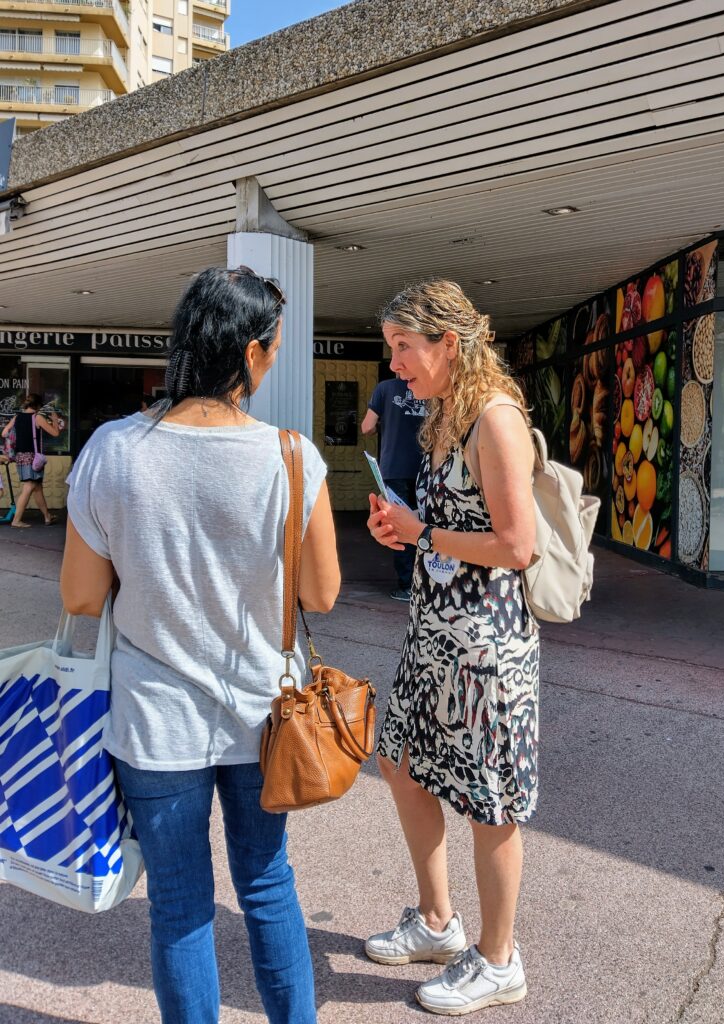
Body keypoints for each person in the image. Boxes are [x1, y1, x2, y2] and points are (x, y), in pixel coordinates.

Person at [60, 266, 341, 1024]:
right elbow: (320, 594)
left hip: (155, 721)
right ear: (250, 354)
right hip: (265, 717)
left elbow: (81, 597)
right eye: (275, 348)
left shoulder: (113, 450)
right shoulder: (292, 456)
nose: (275, 360)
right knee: (266, 884)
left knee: (180, 901)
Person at [365, 280, 539, 1016]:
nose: (396, 363)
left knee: (488, 800)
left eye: (404, 347)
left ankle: (499, 961)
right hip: (435, 630)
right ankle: (437, 922)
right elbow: (446, 525)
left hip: (485, 646)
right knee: (400, 761)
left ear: (448, 343)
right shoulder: (444, 414)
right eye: (391, 349)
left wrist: (423, 534)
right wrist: (401, 525)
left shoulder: (493, 416)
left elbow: (516, 545)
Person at [361, 376, 425, 601]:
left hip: (394, 468)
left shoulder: (384, 389)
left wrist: (385, 423)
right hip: (426, 469)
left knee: (398, 526)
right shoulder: (430, 388)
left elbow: (367, 427)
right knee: (424, 524)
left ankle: (407, 586)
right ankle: (426, 583)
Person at [1, 393, 61, 528]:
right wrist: (55, 419)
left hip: (20, 456)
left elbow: (4, 433)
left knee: (37, 487)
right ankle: (16, 520)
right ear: (38, 406)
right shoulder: (37, 417)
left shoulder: (17, 417)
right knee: (29, 487)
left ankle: (47, 517)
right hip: (32, 457)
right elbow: (55, 433)